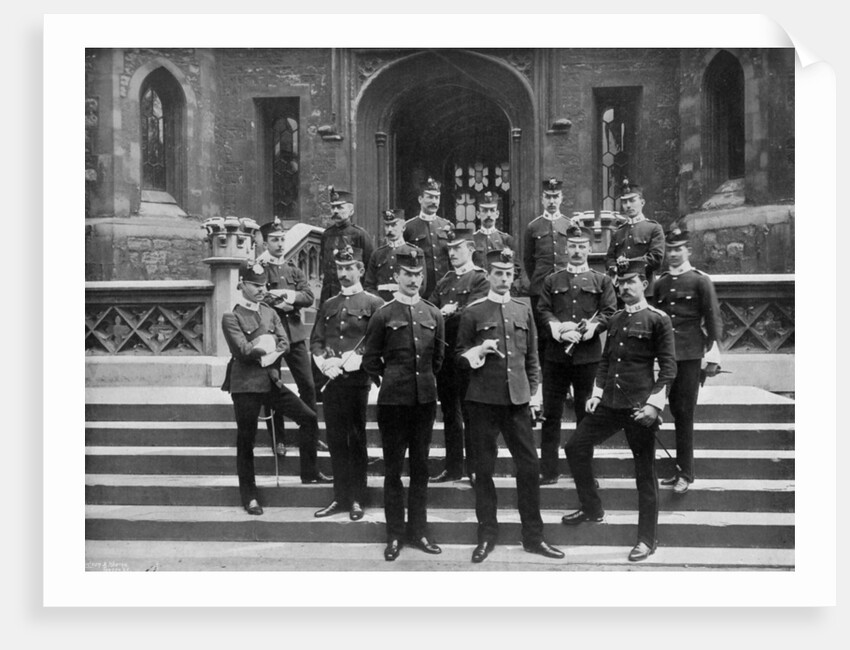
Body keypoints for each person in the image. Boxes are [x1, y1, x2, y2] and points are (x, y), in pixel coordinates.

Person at [561, 259, 677, 562]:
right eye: (620, 282)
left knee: (644, 474)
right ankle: (592, 508)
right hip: (610, 404)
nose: (624, 287)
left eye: (631, 281)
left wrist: (654, 405)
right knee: (575, 447)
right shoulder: (614, 320)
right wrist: (597, 394)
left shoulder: (657, 319)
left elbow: (668, 368)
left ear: (644, 284)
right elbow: (606, 361)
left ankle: (646, 540)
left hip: (640, 408)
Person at [455, 248, 565, 564]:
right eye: (498, 273)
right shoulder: (474, 311)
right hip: (482, 401)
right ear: (488, 275)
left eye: (509, 273)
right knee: (484, 470)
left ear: (514, 276)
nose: (504, 278)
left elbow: (532, 357)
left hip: (517, 401)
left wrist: (535, 394)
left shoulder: (523, 309)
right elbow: (459, 356)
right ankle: (486, 536)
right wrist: (478, 349)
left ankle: (533, 537)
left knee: (529, 469)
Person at [220, 260, 327, 516]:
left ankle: (309, 473)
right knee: (246, 440)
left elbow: (285, 344)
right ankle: (250, 496)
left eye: (263, 285)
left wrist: (265, 349)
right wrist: (265, 347)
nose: (260, 289)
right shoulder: (231, 317)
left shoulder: (270, 311)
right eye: (254, 285)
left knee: (309, 418)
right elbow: (243, 351)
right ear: (241, 285)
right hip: (245, 385)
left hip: (270, 381)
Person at [362, 248, 446, 561]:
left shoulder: (433, 313)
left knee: (421, 468)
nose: (413, 280)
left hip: (424, 401)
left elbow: (437, 359)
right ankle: (395, 535)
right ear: (396, 276)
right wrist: (392, 379)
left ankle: (419, 531)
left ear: (423, 277)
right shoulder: (384, 314)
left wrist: (420, 381)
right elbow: (371, 358)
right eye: (407, 274)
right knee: (394, 470)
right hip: (393, 404)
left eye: (418, 275)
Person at [536, 225, 617, 485]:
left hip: (587, 357)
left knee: (586, 416)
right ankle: (548, 471)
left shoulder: (601, 280)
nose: (578, 251)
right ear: (566, 248)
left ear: (589, 249)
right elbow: (543, 310)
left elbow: (609, 312)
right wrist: (559, 330)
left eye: (583, 246)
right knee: (551, 415)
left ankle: (584, 473)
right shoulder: (552, 280)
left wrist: (591, 329)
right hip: (556, 357)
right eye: (573, 246)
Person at [310, 245, 385, 520]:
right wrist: (324, 363)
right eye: (340, 268)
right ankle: (340, 497)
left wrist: (355, 362)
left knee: (356, 438)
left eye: (349, 268)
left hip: (356, 381)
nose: (343, 273)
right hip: (332, 380)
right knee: (335, 439)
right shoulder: (329, 304)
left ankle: (357, 498)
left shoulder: (374, 304)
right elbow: (316, 339)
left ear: (360, 270)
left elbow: (376, 342)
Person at [652, 227, 723, 495]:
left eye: (678, 249)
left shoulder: (700, 281)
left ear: (688, 251)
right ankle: (674, 470)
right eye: (669, 249)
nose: (673, 254)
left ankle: (685, 472)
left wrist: (713, 354)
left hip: (691, 355)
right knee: (662, 409)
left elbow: (713, 319)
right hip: (665, 356)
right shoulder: (660, 283)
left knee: (684, 413)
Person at [257, 216, 330, 465]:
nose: (279, 244)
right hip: (271, 337)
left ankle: (310, 434)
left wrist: (288, 296)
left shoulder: (294, 270)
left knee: (308, 386)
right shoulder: (259, 270)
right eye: (274, 240)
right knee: (274, 386)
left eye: (281, 240)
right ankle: (278, 438)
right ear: (264, 242)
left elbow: (309, 295)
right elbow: (256, 296)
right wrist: (276, 300)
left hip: (296, 336)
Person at [428, 225, 489, 484]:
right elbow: (429, 309)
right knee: (450, 413)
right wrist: (441, 313)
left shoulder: (480, 279)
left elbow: (474, 313)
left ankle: (474, 467)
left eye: (457, 249)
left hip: (467, 354)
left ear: (471, 249)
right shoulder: (444, 280)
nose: (452, 254)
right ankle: (453, 467)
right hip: (445, 354)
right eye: (449, 249)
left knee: (470, 411)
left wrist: (449, 312)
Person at [523, 178, 577, 359]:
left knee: (566, 327)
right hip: (540, 288)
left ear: (561, 198)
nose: (552, 201)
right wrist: (540, 281)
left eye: (555, 196)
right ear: (542, 199)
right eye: (548, 197)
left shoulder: (569, 225)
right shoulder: (533, 227)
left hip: (565, 287)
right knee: (545, 333)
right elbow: (528, 261)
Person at [605, 179, 665, 295]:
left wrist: (628, 263)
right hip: (622, 290)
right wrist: (615, 267)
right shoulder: (618, 232)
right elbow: (609, 259)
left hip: (645, 291)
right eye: (624, 202)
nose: (628, 205)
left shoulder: (653, 228)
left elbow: (656, 258)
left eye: (632, 201)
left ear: (642, 202)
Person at [318, 186, 374, 305]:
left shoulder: (360, 235)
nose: (335, 211)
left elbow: (370, 269)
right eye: (333, 207)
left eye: (340, 207)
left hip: (353, 294)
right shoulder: (326, 235)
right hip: (329, 295)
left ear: (351, 211)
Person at [403, 177, 452, 298]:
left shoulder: (447, 226)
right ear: (420, 199)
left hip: (445, 289)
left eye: (437, 197)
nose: (434, 202)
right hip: (420, 290)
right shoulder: (409, 227)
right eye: (429, 197)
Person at [364, 208, 424, 302]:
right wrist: (379, 303)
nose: (390, 230)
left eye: (394, 225)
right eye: (387, 226)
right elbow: (369, 286)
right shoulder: (377, 254)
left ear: (403, 227)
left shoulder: (415, 252)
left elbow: (422, 285)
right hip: (381, 305)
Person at [472, 191, 514, 268]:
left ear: (497, 214)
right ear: (478, 214)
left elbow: (516, 269)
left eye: (492, 210)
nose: (488, 215)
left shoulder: (506, 239)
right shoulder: (472, 240)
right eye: (484, 211)